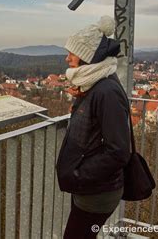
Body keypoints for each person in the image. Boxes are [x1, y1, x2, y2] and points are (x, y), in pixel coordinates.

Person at [56, 16, 131, 239]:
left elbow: (118, 151)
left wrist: (79, 174)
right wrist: (83, 97)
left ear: (87, 57)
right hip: (91, 188)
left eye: (72, 53)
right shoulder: (96, 85)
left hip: (97, 192)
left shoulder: (106, 92)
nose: (67, 58)